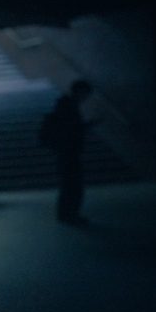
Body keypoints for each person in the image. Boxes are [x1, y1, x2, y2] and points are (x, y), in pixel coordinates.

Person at [50, 79, 96, 225]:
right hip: (68, 151)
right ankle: (70, 214)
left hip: (66, 151)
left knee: (69, 185)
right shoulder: (68, 106)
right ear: (79, 91)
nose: (86, 97)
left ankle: (65, 214)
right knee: (73, 185)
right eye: (86, 93)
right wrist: (86, 126)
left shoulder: (65, 105)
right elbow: (70, 129)